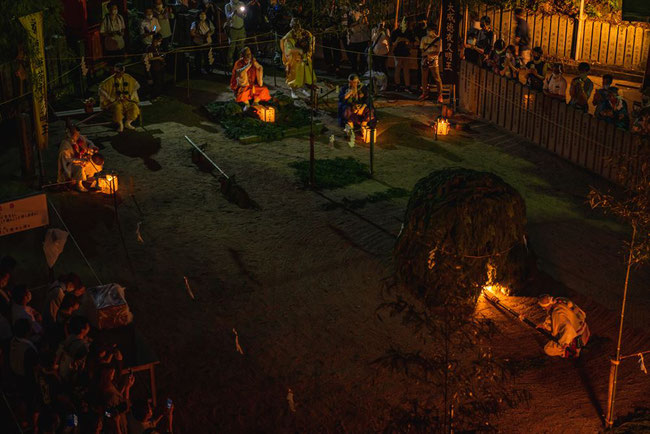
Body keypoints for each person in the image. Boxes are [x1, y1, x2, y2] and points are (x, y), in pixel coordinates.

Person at [57, 124, 103, 192]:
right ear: (70, 134)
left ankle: (90, 177)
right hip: (71, 164)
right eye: (75, 135)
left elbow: (89, 142)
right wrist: (80, 160)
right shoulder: (65, 144)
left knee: (94, 161)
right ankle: (79, 184)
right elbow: (67, 160)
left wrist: (92, 147)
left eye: (78, 134)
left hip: (82, 159)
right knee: (79, 168)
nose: (78, 136)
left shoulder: (80, 138)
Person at [281, 18, 316, 99]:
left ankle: (303, 88)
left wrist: (309, 50)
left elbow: (312, 39)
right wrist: (297, 50)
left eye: (297, 25)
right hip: (294, 58)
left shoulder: (305, 33)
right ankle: (293, 90)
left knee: (305, 74)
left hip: (304, 56)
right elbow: (288, 48)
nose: (296, 27)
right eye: (294, 25)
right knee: (294, 75)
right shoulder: (289, 35)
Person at [99, 64, 141, 132]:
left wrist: (131, 95)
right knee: (117, 107)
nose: (120, 74)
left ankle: (127, 123)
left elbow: (137, 85)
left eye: (122, 72)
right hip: (116, 101)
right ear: (115, 72)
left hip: (126, 100)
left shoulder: (127, 77)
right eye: (118, 72)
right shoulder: (110, 79)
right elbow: (101, 89)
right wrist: (110, 98)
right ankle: (120, 125)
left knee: (134, 106)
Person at [97, 366, 135, 434]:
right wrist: (127, 388)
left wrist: (126, 385)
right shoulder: (110, 395)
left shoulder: (106, 386)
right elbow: (125, 406)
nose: (113, 375)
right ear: (107, 375)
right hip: (118, 425)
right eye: (112, 373)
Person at [55, 316, 91, 383]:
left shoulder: (69, 338)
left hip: (61, 371)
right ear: (82, 330)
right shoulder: (83, 346)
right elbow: (82, 365)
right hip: (71, 377)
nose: (89, 327)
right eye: (88, 326)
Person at [345, 0, 371, 74]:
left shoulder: (367, 11)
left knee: (363, 57)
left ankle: (362, 71)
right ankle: (354, 71)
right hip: (354, 38)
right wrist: (358, 22)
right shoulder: (351, 12)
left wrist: (365, 19)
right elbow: (349, 24)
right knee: (353, 57)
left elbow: (368, 24)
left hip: (364, 38)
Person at [419, 25, 442, 102]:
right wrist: (425, 56)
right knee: (424, 77)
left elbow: (438, 51)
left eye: (430, 30)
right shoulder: (423, 38)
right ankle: (424, 92)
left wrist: (429, 54)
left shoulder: (438, 39)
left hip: (434, 61)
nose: (428, 32)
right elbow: (422, 49)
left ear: (434, 31)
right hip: (424, 60)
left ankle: (440, 94)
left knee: (437, 78)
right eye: (427, 30)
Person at [391, 19, 414, 92]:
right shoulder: (395, 32)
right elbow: (392, 44)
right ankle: (397, 85)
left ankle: (407, 86)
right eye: (402, 22)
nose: (404, 24)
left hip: (406, 53)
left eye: (405, 22)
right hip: (397, 53)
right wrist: (397, 41)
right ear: (399, 23)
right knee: (397, 69)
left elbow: (412, 43)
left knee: (406, 70)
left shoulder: (409, 32)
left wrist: (408, 43)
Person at [322, 0, 344, 76]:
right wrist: (324, 29)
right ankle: (330, 66)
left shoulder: (338, 9)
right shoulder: (324, 8)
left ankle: (337, 67)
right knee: (326, 50)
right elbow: (321, 19)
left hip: (334, 32)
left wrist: (335, 27)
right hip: (325, 32)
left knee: (336, 50)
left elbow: (339, 20)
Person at [225, 0, 248, 67]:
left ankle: (240, 63)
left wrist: (243, 12)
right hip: (233, 29)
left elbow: (244, 16)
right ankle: (230, 64)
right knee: (231, 48)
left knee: (241, 48)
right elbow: (228, 17)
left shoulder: (241, 3)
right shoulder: (228, 6)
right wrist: (234, 12)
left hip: (241, 29)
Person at [145, 34, 166, 99]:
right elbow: (150, 58)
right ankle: (153, 96)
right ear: (155, 40)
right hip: (154, 67)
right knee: (156, 82)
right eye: (159, 41)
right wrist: (158, 58)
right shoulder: (150, 48)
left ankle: (158, 94)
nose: (160, 42)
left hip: (159, 66)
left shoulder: (157, 47)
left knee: (160, 82)